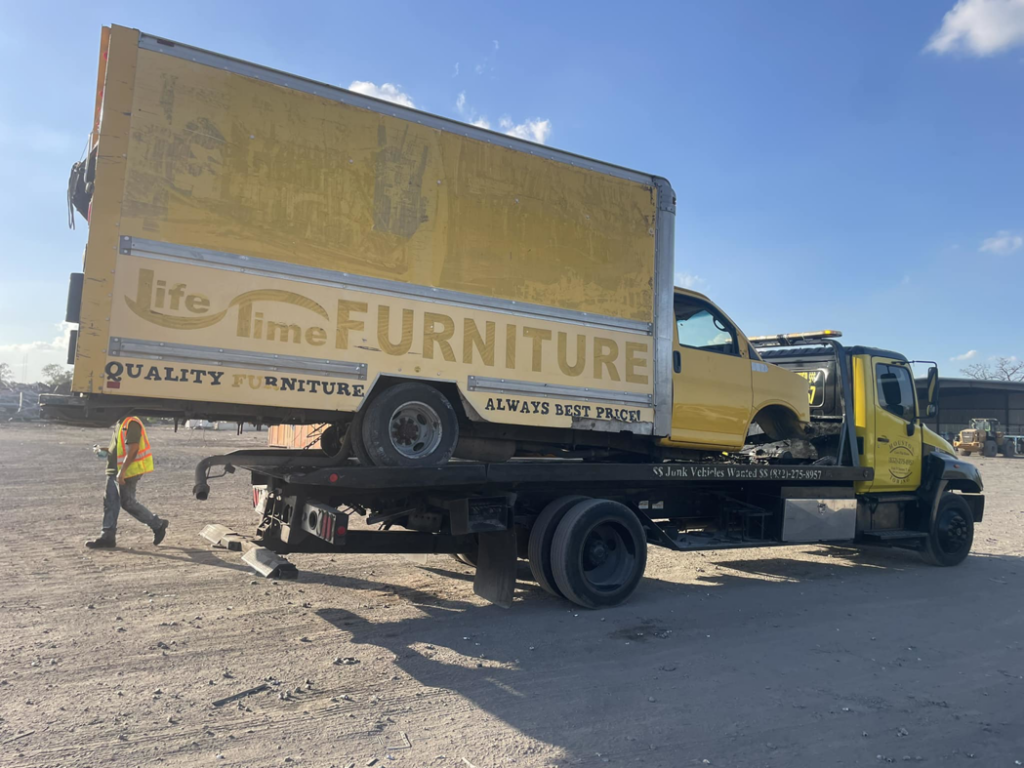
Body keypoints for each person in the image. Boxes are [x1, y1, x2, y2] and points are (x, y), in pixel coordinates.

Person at [86, 416, 168, 548]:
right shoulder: (120, 422)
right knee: (110, 503)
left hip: (127, 471)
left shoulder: (131, 422)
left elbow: (133, 449)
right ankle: (107, 536)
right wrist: (106, 451)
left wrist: (122, 472)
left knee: (128, 502)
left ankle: (157, 524)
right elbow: (121, 448)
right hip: (114, 470)